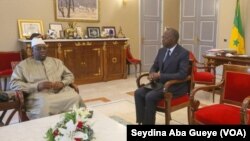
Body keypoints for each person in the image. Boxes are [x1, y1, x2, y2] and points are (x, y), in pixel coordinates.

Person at [10, 38, 85, 120]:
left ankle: (77, 123)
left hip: (61, 91)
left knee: (75, 97)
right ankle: (48, 128)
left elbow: (69, 75)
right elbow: (14, 83)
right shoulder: (23, 66)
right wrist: (37, 86)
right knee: (45, 103)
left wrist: (62, 83)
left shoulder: (57, 62)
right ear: (32, 50)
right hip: (38, 94)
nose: (42, 50)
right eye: (38, 48)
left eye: (44, 48)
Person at [134, 28, 189, 125]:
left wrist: (160, 75)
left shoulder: (183, 53)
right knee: (138, 93)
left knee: (150, 96)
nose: (162, 39)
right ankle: (141, 122)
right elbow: (155, 66)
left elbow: (182, 74)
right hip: (159, 84)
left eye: (164, 37)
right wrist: (152, 74)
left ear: (172, 39)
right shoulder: (162, 50)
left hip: (173, 86)